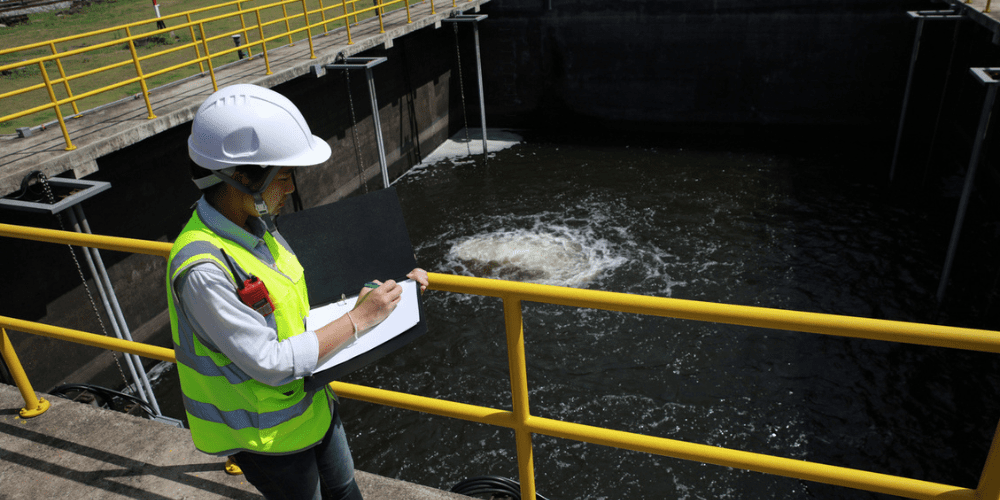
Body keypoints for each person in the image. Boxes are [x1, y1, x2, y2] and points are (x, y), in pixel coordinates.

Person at [167, 83, 428, 500]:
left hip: (313, 406)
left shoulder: (258, 228)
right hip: (267, 439)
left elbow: (299, 302)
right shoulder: (202, 270)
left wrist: (388, 289)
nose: (290, 189)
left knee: (344, 491)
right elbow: (268, 362)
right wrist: (360, 318)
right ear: (240, 177)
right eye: (284, 178)